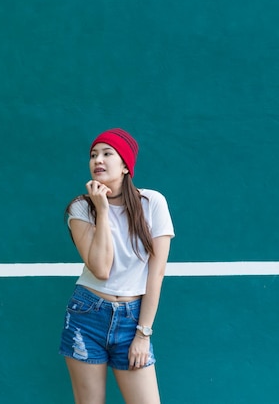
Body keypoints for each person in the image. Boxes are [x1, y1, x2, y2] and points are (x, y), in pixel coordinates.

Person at [59, 128, 174, 404]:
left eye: (107, 153)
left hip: (133, 320)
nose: (97, 160)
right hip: (87, 316)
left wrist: (143, 333)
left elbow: (156, 273)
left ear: (125, 165)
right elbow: (101, 268)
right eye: (93, 155)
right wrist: (102, 210)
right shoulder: (81, 208)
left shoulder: (152, 203)